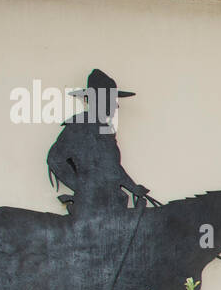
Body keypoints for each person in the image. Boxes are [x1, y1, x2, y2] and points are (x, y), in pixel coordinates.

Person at [47, 68, 150, 216]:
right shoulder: (79, 126)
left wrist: (134, 188)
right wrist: (83, 188)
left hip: (113, 201)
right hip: (92, 207)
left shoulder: (105, 130)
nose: (116, 106)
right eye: (111, 100)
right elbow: (55, 159)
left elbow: (113, 168)